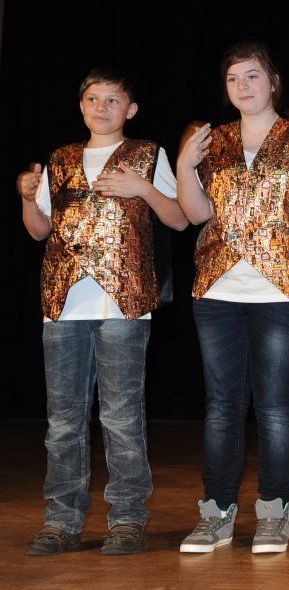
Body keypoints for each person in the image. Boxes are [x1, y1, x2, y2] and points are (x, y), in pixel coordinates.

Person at [176, 41, 289, 554]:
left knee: (274, 405)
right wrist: (184, 166)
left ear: (274, 82)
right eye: (233, 78)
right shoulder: (212, 140)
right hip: (217, 289)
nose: (242, 86)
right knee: (222, 407)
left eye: (252, 75)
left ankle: (273, 510)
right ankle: (216, 512)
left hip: (284, 291)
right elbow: (197, 215)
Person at [18, 67, 187, 556]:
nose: (102, 107)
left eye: (113, 100)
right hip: (63, 305)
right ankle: (62, 519)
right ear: (81, 106)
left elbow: (178, 218)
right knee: (63, 421)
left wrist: (144, 189)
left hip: (124, 303)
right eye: (93, 98)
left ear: (130, 110)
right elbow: (39, 230)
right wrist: (28, 199)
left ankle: (128, 519)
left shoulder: (148, 154)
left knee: (121, 416)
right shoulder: (60, 158)